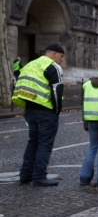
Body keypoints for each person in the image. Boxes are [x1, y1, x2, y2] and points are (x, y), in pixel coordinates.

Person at [12, 43, 64, 187]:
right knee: (44, 144)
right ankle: (40, 176)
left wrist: (25, 108)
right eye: (61, 56)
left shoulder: (30, 65)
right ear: (53, 54)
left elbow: (20, 86)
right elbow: (57, 90)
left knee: (32, 143)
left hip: (29, 110)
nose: (62, 59)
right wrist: (57, 111)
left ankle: (25, 175)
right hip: (46, 111)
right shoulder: (53, 66)